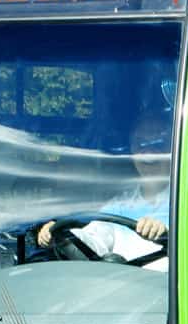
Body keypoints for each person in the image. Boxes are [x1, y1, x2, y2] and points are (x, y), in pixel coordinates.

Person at [37, 107, 174, 261]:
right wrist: (60, 235)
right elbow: (94, 239)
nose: (148, 152)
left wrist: (169, 235)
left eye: (159, 143)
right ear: (132, 150)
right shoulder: (122, 204)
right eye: (141, 144)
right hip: (121, 283)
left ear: (174, 149)